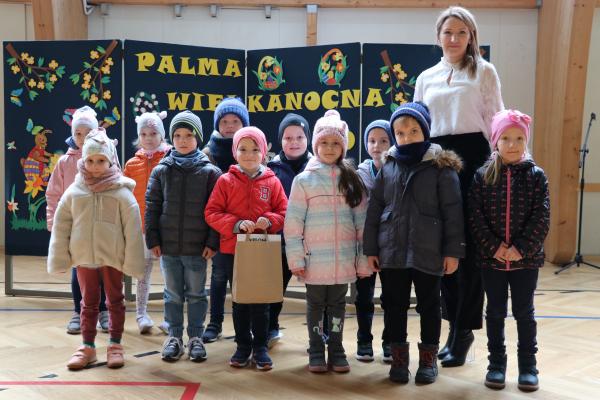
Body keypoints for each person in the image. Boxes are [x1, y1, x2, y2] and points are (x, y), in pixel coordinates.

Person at [414, 5, 504, 367]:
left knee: (467, 251)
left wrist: (502, 166)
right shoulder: (426, 77)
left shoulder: (484, 71)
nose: (453, 39)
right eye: (448, 32)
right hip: (436, 160)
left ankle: (464, 330)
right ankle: (450, 324)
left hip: (473, 160)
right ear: (438, 37)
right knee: (441, 250)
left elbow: (496, 120)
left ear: (471, 37)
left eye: (461, 32)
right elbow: (417, 125)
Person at [364, 102, 465, 384]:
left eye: (413, 131)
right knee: (393, 305)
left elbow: (453, 212)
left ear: (425, 132)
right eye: (400, 133)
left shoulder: (441, 166)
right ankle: (399, 360)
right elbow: (375, 208)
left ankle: (428, 360)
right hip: (392, 249)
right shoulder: (389, 165)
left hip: (428, 250)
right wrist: (371, 248)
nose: (407, 138)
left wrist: (453, 252)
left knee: (429, 305)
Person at [48, 128, 145, 370]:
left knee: (115, 300)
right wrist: (60, 258)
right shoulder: (74, 191)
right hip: (84, 258)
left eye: (101, 160)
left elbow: (133, 230)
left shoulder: (122, 193)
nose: (95, 166)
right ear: (83, 160)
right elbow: (61, 225)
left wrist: (133, 262)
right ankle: (87, 346)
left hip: (112, 258)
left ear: (110, 160)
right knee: (88, 302)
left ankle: (115, 344)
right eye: (90, 160)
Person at [284, 110, 372, 373]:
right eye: (324, 142)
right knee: (315, 306)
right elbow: (293, 224)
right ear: (316, 145)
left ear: (343, 147)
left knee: (337, 307)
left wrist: (362, 260)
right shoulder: (304, 180)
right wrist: (296, 259)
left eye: (335, 143)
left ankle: (336, 348)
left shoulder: (352, 179)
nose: (330, 148)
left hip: (343, 261)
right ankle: (315, 350)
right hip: (314, 262)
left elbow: (361, 224)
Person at [468, 109, 549, 392]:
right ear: (495, 141)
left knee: (525, 313)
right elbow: (475, 217)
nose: (512, 144)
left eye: (518, 138)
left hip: (526, 261)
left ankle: (528, 366)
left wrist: (520, 249)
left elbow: (542, 217)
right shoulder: (482, 176)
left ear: (526, 141)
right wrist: (494, 247)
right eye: (506, 138)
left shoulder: (537, 177)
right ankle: (496, 364)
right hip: (491, 261)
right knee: (494, 313)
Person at [205, 126, 287, 371]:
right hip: (233, 251)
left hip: (262, 250)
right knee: (240, 301)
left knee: (261, 302)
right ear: (235, 151)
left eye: (254, 149)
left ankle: (260, 347)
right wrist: (236, 224)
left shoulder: (272, 181)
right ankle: (242, 345)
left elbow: (284, 211)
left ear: (263, 152)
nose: (249, 155)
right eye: (243, 149)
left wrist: (269, 221)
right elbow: (212, 212)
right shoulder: (225, 181)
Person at [145, 111, 221, 362]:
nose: (183, 140)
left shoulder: (211, 173)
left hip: (197, 249)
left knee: (197, 294)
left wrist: (212, 241)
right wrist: (153, 239)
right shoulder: (161, 171)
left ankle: (196, 337)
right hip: (169, 249)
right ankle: (174, 336)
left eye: (189, 135)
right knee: (173, 295)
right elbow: (152, 206)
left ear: (198, 138)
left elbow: (216, 211)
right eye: (177, 135)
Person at [46, 106, 109, 335]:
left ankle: (103, 311)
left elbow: (117, 186)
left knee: (102, 269)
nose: (82, 138)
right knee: (79, 270)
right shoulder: (64, 162)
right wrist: (53, 221)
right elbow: (53, 194)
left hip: (101, 225)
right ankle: (78, 311)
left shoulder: (106, 157)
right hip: (76, 226)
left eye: (87, 133)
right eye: (78, 133)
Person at [202, 97, 251, 344]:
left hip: (248, 229)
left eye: (235, 121)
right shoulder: (207, 154)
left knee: (245, 279)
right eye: (224, 121)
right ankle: (215, 323)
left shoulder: (253, 151)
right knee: (219, 276)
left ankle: (245, 326)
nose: (230, 125)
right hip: (219, 227)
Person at [266, 113, 313, 348]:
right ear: (280, 140)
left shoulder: (317, 167)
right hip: (281, 243)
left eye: (299, 137)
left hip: (312, 243)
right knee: (274, 289)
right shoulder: (271, 170)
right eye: (288, 138)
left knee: (318, 293)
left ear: (308, 139)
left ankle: (321, 333)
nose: (294, 142)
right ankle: (270, 327)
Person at [123, 111, 170, 334]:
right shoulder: (132, 164)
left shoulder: (170, 160)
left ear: (161, 134)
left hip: (165, 228)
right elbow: (124, 195)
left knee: (169, 274)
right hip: (141, 227)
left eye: (153, 133)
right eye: (143, 134)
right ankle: (141, 314)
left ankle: (170, 317)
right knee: (142, 274)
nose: (148, 138)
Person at [355, 119, 394, 362]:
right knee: (363, 297)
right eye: (371, 141)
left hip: (390, 244)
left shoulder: (397, 171)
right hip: (364, 244)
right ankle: (364, 340)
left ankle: (389, 342)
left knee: (390, 297)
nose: (377, 146)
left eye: (383, 140)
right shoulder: (358, 174)